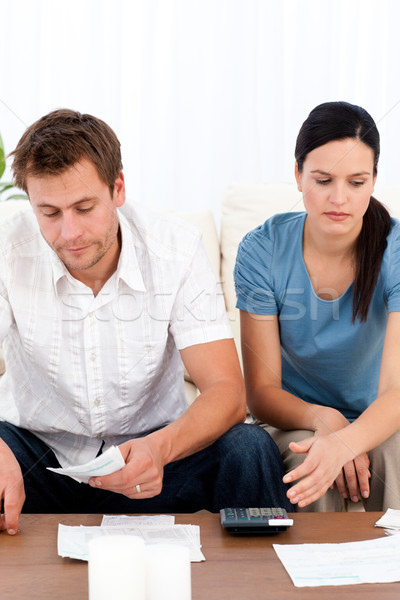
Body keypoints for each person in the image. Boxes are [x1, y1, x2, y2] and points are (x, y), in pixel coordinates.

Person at [0, 109, 290, 535]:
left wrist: (160, 448)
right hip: (37, 458)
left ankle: (266, 587)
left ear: (118, 188)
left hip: (156, 461)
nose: (70, 233)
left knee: (249, 449)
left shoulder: (174, 248)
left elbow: (227, 393)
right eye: (50, 213)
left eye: (84, 207)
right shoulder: (8, 248)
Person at [234, 101, 400, 512]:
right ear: (297, 174)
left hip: (380, 420)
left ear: (375, 180)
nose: (339, 199)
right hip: (296, 420)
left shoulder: (394, 250)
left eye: (357, 182)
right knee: (309, 463)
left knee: (389, 456)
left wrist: (348, 440)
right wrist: (324, 420)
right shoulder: (261, 250)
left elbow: (395, 393)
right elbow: (261, 393)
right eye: (323, 180)